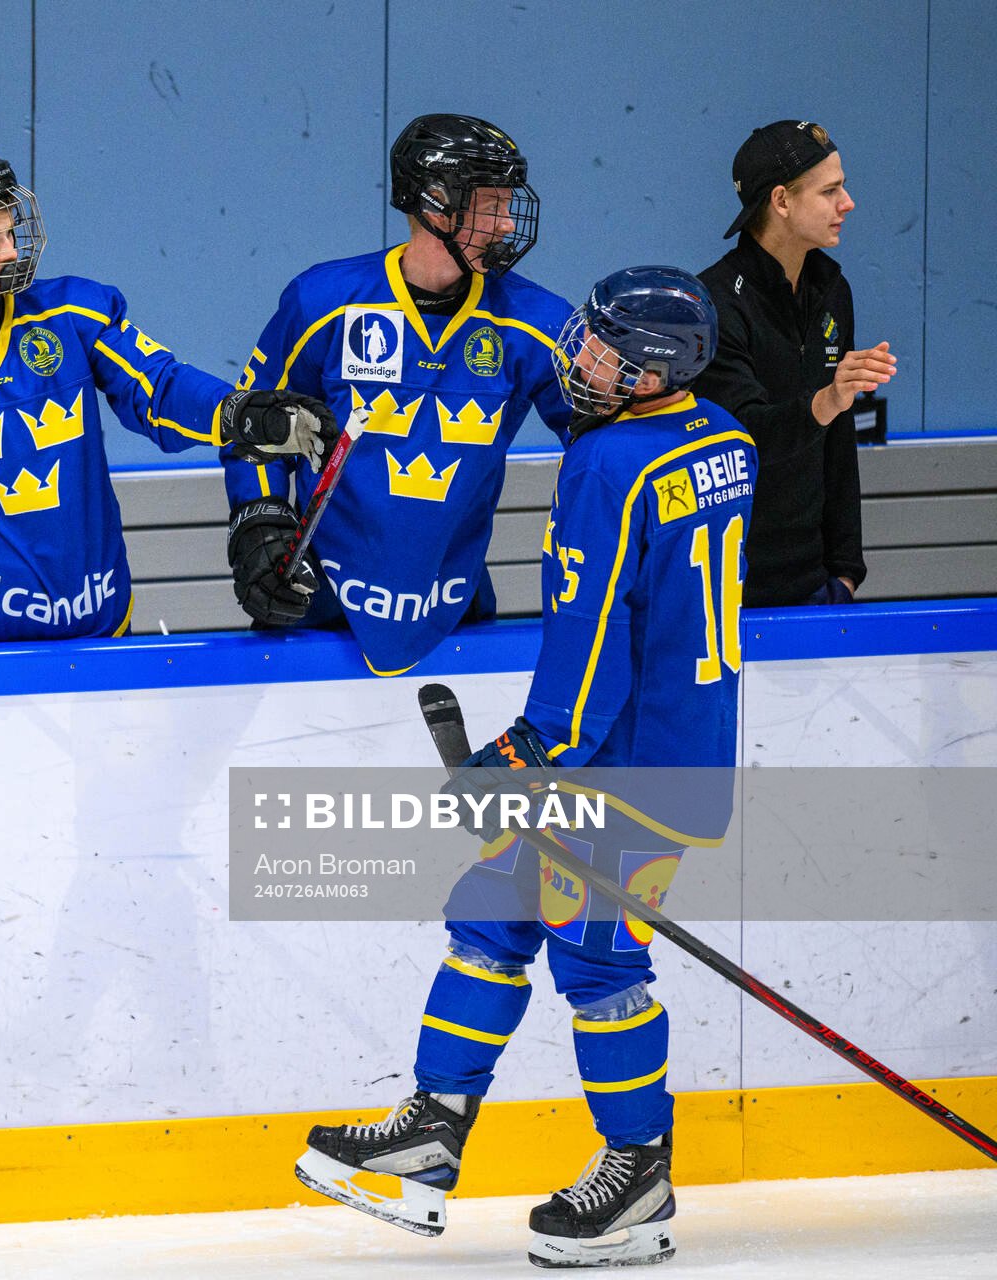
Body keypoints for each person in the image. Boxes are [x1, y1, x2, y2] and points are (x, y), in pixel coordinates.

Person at [295, 268, 753, 1269]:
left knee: (596, 957)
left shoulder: (604, 468)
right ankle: (432, 1126)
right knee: (493, 912)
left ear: (652, 369)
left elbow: (595, 641)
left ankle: (640, 1171)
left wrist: (529, 751)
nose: (576, 360)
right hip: (674, 743)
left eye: (599, 351)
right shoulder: (722, 438)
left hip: (622, 765)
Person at [0, 140, 333, 646]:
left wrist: (238, 412)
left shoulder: (73, 314)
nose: (9, 252)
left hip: (99, 628)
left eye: (9, 232)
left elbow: (158, 388)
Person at [224, 114, 574, 675]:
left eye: (510, 204)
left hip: (455, 601)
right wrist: (261, 519)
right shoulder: (323, 303)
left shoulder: (539, 323)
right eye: (492, 205)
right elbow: (256, 427)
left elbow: (600, 445)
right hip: (318, 598)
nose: (508, 224)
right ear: (436, 204)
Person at [695, 120, 890, 607]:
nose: (847, 204)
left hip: (817, 584)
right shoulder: (714, 304)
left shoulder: (832, 291)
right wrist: (828, 400)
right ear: (781, 201)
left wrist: (846, 572)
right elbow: (742, 436)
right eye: (830, 191)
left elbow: (839, 443)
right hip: (729, 588)